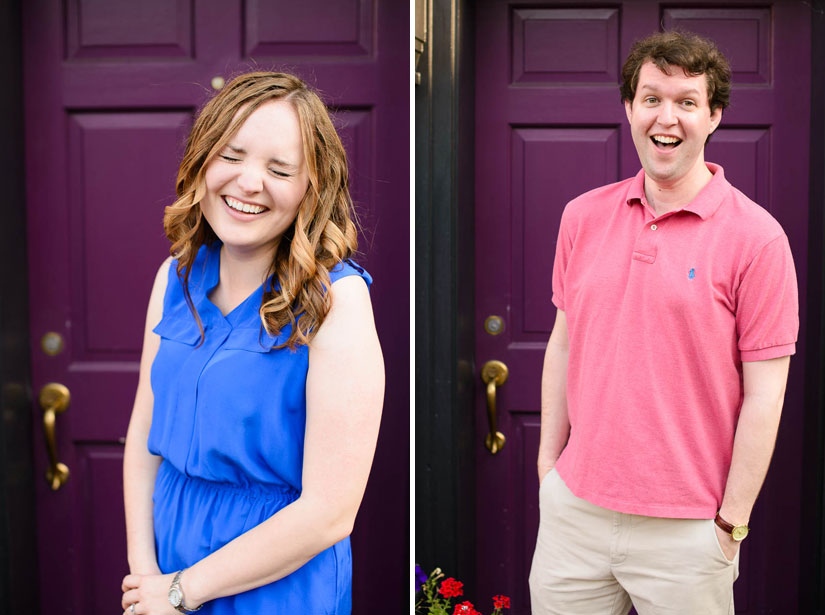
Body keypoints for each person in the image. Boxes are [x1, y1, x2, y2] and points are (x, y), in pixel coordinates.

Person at [529, 31, 798, 614]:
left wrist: (732, 524)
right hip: (575, 515)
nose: (666, 118)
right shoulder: (582, 217)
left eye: (686, 101)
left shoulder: (758, 239)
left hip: (689, 531)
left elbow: (766, 396)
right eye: (651, 98)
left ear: (714, 115)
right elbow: (564, 343)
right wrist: (550, 470)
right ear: (629, 108)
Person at [120, 72, 384, 615]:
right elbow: (144, 442)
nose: (249, 182)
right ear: (202, 161)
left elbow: (330, 511)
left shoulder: (339, 301)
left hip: (275, 587)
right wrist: (148, 580)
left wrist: (181, 591)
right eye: (232, 156)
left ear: (312, 189)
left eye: (280, 169)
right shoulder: (174, 278)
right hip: (166, 573)